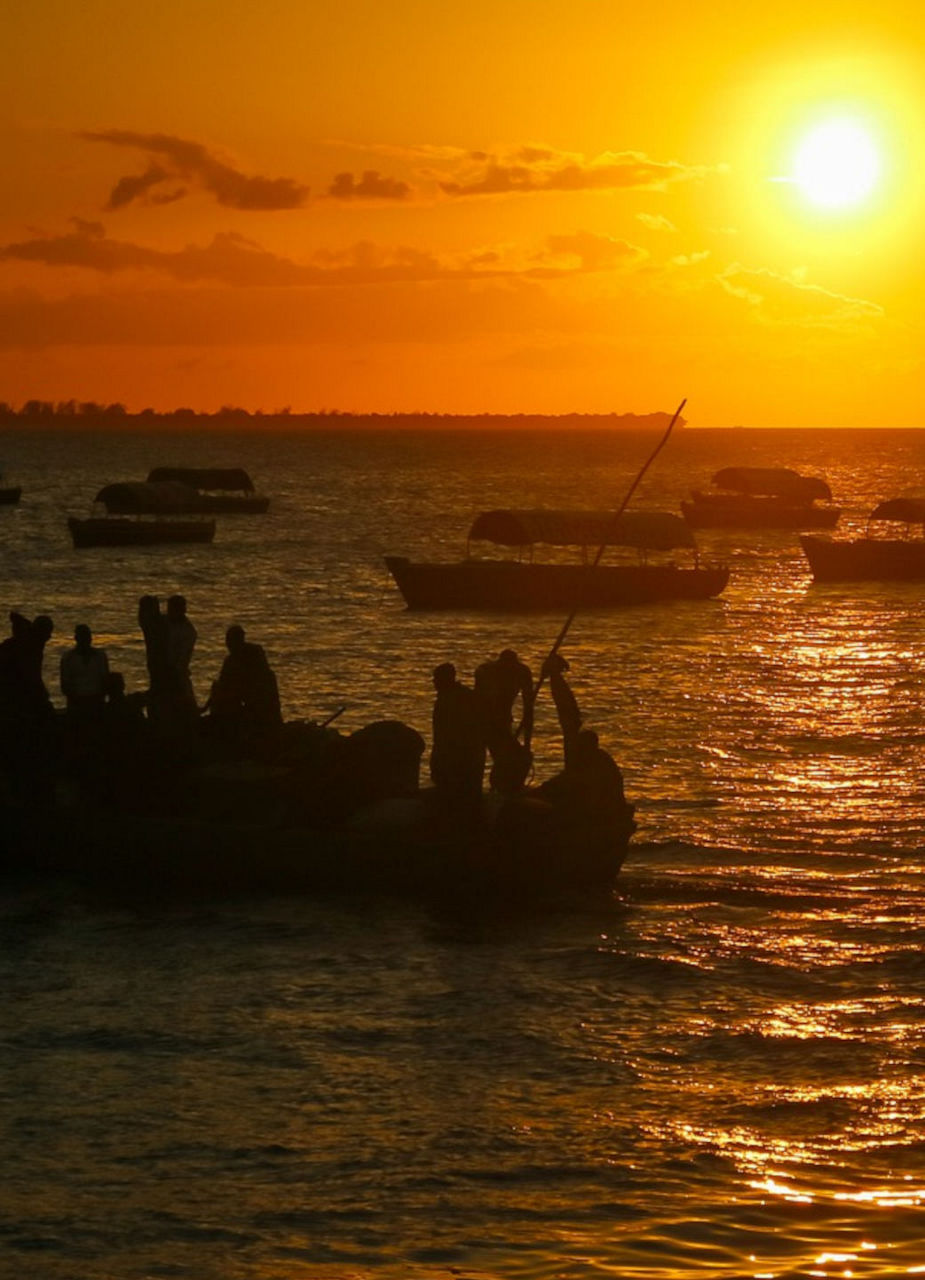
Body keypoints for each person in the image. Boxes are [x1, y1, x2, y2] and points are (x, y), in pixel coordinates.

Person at [538, 653, 630, 823]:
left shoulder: (592, 765)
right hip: (595, 812)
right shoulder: (593, 761)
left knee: (570, 723)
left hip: (596, 816)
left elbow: (567, 782)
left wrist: (541, 791)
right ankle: (556, 676)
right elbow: (568, 718)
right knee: (570, 723)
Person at [204, 624, 282, 748]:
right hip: (249, 702)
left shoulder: (252, 656)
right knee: (218, 689)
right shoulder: (233, 660)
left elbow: (257, 684)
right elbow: (222, 685)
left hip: (258, 706)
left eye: (230, 641)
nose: (228, 645)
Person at [474, 647, 534, 793]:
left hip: (503, 721)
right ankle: (492, 789)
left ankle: (504, 788)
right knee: (499, 756)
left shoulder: (522, 672)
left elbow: (529, 710)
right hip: (483, 721)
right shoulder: (486, 671)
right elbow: (479, 700)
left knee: (515, 757)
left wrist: (527, 744)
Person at [429, 662, 486, 809]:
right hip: (471, 756)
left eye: (437, 679)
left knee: (455, 798)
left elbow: (443, 735)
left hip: (458, 758)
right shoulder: (466, 696)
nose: (434, 682)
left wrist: (438, 760)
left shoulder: (448, 701)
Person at [60, 624, 109, 718]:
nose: (86, 640)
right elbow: (65, 685)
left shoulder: (100, 656)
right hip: (76, 702)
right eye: (83, 637)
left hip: (97, 701)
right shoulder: (68, 658)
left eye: (87, 636)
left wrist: (99, 698)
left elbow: (105, 680)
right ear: (76, 638)